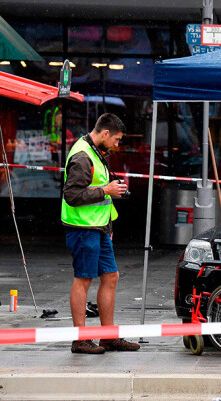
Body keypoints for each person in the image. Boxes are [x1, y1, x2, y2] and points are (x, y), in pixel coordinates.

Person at [62, 113, 140, 354]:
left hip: (98, 228)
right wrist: (106, 190)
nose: (117, 144)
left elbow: (97, 195)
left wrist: (108, 227)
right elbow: (72, 196)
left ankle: (107, 337)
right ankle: (81, 340)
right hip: (83, 228)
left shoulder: (95, 152)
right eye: (116, 139)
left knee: (111, 276)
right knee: (83, 279)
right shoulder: (83, 156)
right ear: (105, 133)